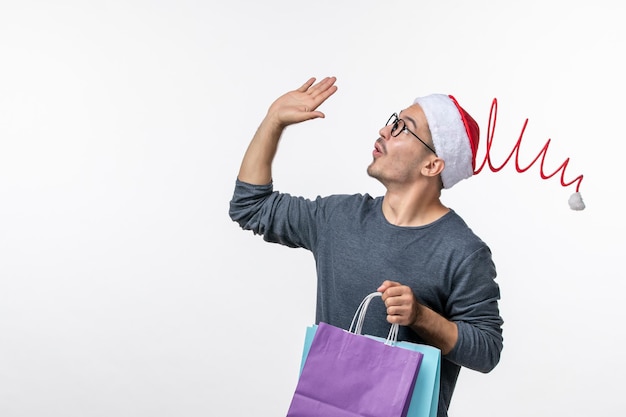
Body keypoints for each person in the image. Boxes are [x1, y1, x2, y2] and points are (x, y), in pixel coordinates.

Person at [229, 76, 503, 417]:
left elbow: (487, 351)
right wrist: (273, 121)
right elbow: (250, 207)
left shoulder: (462, 251)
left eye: (403, 128)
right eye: (393, 120)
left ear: (432, 165)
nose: (384, 131)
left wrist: (421, 316)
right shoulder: (338, 217)